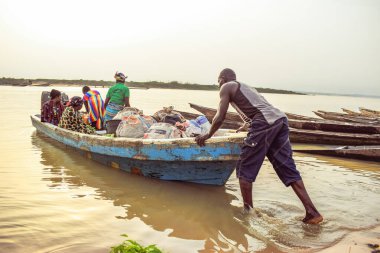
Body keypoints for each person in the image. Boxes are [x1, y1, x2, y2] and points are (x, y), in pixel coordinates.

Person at [195, 68, 323, 224]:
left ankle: (248, 214)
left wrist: (207, 135)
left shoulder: (226, 86)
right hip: (280, 120)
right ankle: (313, 212)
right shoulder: (245, 86)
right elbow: (258, 107)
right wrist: (247, 125)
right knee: (287, 168)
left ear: (222, 78)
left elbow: (220, 116)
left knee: (244, 168)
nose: (218, 85)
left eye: (218, 81)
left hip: (264, 122)